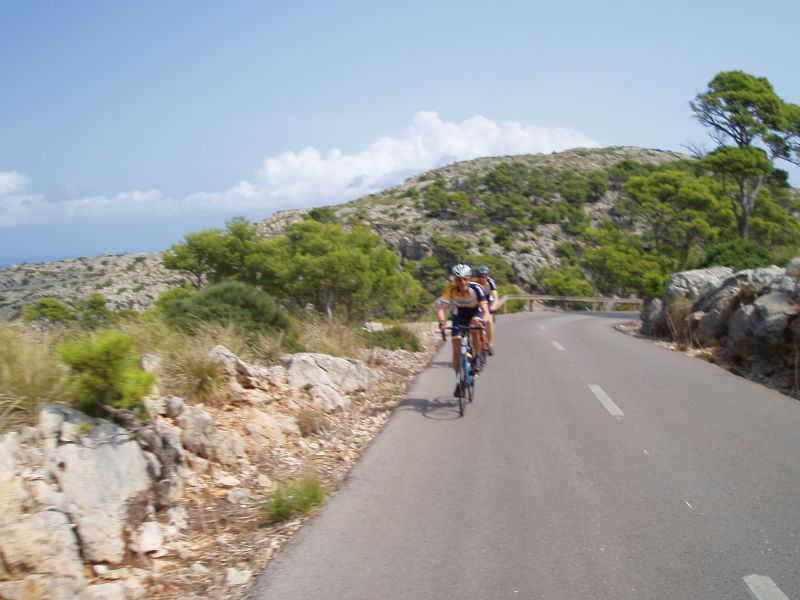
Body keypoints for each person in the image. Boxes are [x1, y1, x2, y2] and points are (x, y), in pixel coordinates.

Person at [437, 264, 488, 393]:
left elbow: (485, 311)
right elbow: (442, 309)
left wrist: (483, 321)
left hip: (474, 314)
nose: (462, 282)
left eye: (465, 279)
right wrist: (442, 321)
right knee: (456, 351)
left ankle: (476, 357)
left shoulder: (477, 288)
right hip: (459, 316)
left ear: (469, 278)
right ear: (455, 280)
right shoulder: (451, 289)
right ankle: (459, 380)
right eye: (458, 279)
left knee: (475, 326)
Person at [474, 264, 499, 355]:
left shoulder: (491, 283)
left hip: (488, 302)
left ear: (487, 276)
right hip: (477, 302)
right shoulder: (474, 283)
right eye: (480, 277)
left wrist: (492, 309)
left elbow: (496, 298)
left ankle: (490, 344)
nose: (482, 279)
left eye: (484, 277)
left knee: (489, 321)